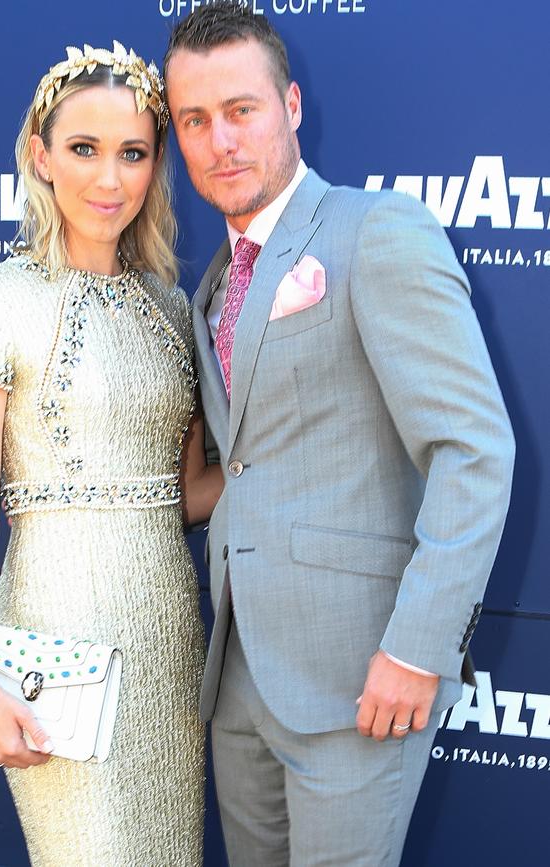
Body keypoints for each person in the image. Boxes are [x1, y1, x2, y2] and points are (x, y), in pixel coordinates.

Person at [164, 4, 516, 865]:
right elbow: (245, 468)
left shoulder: (377, 231)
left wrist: (415, 648)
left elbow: (473, 451)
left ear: (289, 106)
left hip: (363, 675)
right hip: (239, 680)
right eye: (194, 121)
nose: (220, 141)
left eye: (240, 110)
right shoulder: (211, 283)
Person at [0, 42, 221, 867]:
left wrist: (288, 462)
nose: (109, 179)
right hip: (56, 635)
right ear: (39, 155)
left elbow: (186, 496)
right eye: (83, 149)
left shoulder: (169, 308)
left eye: (132, 153)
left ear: (156, 164)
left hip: (168, 637)